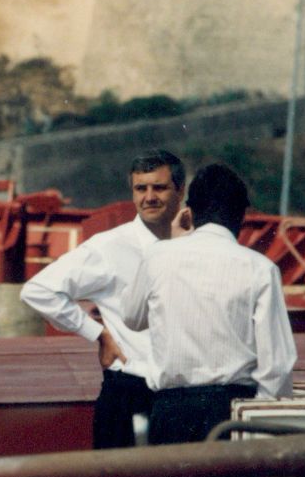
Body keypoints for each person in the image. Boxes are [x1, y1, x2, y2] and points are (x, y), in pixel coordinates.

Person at [20, 150, 186, 448]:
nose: (149, 197)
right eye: (140, 188)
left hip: (182, 397)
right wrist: (97, 333)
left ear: (180, 191)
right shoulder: (109, 248)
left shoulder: (194, 246)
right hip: (129, 393)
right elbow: (38, 290)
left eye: (159, 188)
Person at [124, 163, 297, 445]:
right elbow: (277, 367)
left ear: (189, 213)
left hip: (170, 411)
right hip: (231, 411)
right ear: (241, 215)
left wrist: (173, 239)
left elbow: (132, 317)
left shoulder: (157, 256)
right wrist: (257, 424)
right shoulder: (260, 268)